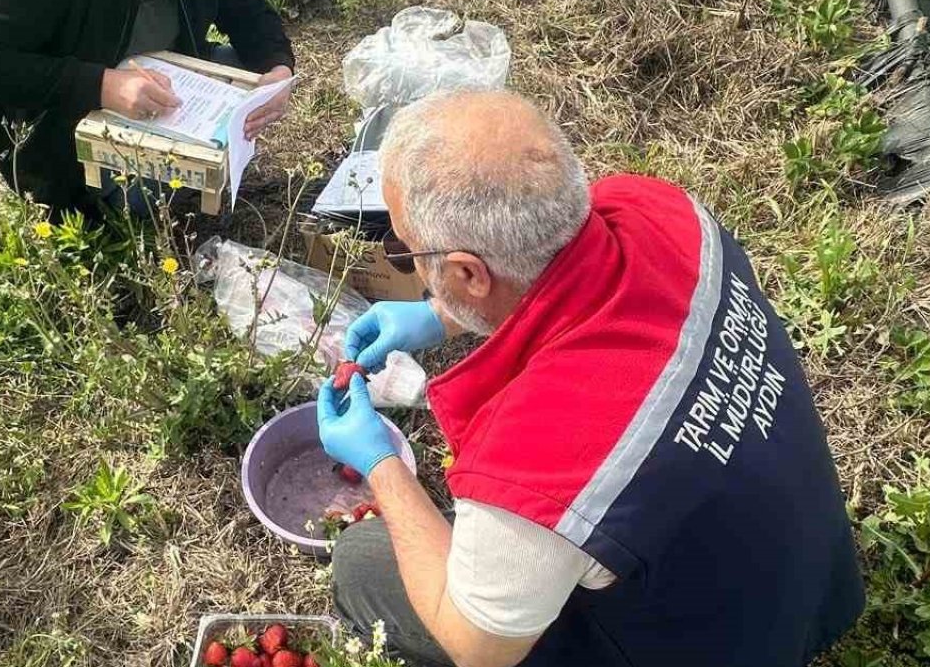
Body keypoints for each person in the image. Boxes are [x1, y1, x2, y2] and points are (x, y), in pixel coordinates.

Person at [315, 91, 865, 667]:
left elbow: (478, 647)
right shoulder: (661, 209)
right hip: (806, 577)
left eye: (405, 252)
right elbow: (561, 263)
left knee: (364, 562)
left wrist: (382, 465)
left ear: (468, 272)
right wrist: (441, 313)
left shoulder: (536, 461)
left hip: (708, 645)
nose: (407, 260)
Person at [0, 0, 294, 220]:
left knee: (241, 74)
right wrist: (103, 86)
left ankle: (199, 167)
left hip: (167, 89)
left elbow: (248, 13)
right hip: (63, 132)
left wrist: (278, 70)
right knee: (138, 202)